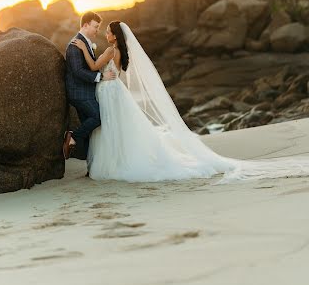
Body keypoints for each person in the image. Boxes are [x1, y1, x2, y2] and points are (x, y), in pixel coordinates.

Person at [71, 20, 309, 183]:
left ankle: (111, 163)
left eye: (108, 31)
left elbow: (93, 67)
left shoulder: (111, 51)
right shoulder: (123, 52)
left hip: (111, 91)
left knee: (112, 129)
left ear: (115, 35)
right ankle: (116, 160)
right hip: (117, 92)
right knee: (118, 129)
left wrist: (82, 46)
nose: (105, 33)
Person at [63, 11, 116, 164]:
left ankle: (90, 165)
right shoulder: (75, 45)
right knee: (98, 117)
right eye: (95, 27)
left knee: (90, 129)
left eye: (98, 27)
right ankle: (72, 137)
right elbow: (77, 71)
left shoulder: (84, 42)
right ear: (85, 25)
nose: (97, 30)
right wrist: (101, 77)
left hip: (85, 91)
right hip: (79, 93)